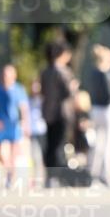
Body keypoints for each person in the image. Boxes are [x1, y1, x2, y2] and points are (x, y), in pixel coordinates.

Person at [0, 64, 30, 188]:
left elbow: (24, 108)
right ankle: (6, 167)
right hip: (1, 122)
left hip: (14, 123)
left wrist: (26, 124)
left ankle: (10, 176)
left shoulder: (18, 89)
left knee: (14, 151)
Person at [40, 40, 77, 185]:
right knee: (59, 145)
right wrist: (74, 87)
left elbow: (43, 92)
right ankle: (58, 176)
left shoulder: (45, 71)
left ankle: (49, 176)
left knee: (50, 145)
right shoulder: (63, 71)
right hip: (61, 113)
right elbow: (68, 92)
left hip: (48, 112)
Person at [87, 44, 110, 188]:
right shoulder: (107, 74)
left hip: (95, 110)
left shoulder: (93, 73)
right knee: (108, 145)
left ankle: (93, 177)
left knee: (97, 145)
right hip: (108, 110)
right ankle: (108, 177)